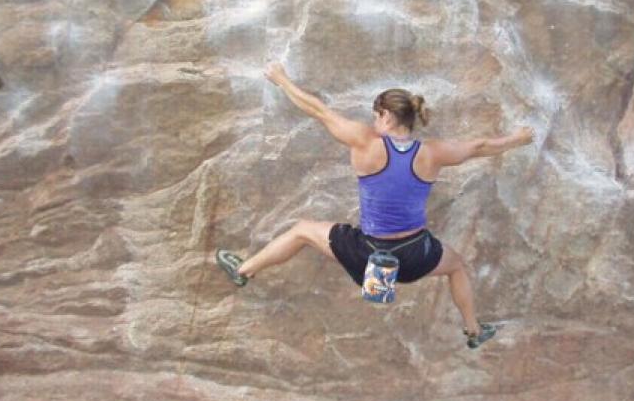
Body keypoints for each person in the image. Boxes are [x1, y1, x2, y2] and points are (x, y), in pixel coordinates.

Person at [217, 62, 535, 349]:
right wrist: (518, 139)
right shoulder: (433, 153)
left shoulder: (365, 141)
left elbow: (319, 111)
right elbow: (479, 147)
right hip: (415, 255)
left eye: (375, 114)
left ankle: (243, 270)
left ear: (387, 116)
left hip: (366, 253)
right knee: (456, 266)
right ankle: (473, 330)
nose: (373, 120)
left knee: (302, 231)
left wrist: (282, 80)